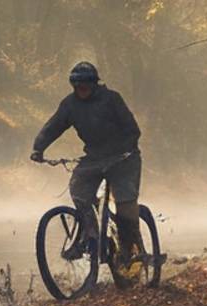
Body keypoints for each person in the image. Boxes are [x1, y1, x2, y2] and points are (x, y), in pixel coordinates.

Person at [30, 61, 144, 288]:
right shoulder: (70, 105)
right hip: (93, 158)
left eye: (86, 84)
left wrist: (125, 149)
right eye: (77, 84)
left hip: (124, 158)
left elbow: (133, 129)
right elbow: (54, 126)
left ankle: (131, 250)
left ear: (94, 84)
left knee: (125, 206)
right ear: (73, 85)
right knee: (79, 191)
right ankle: (88, 236)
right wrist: (38, 148)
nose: (81, 88)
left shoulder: (111, 99)